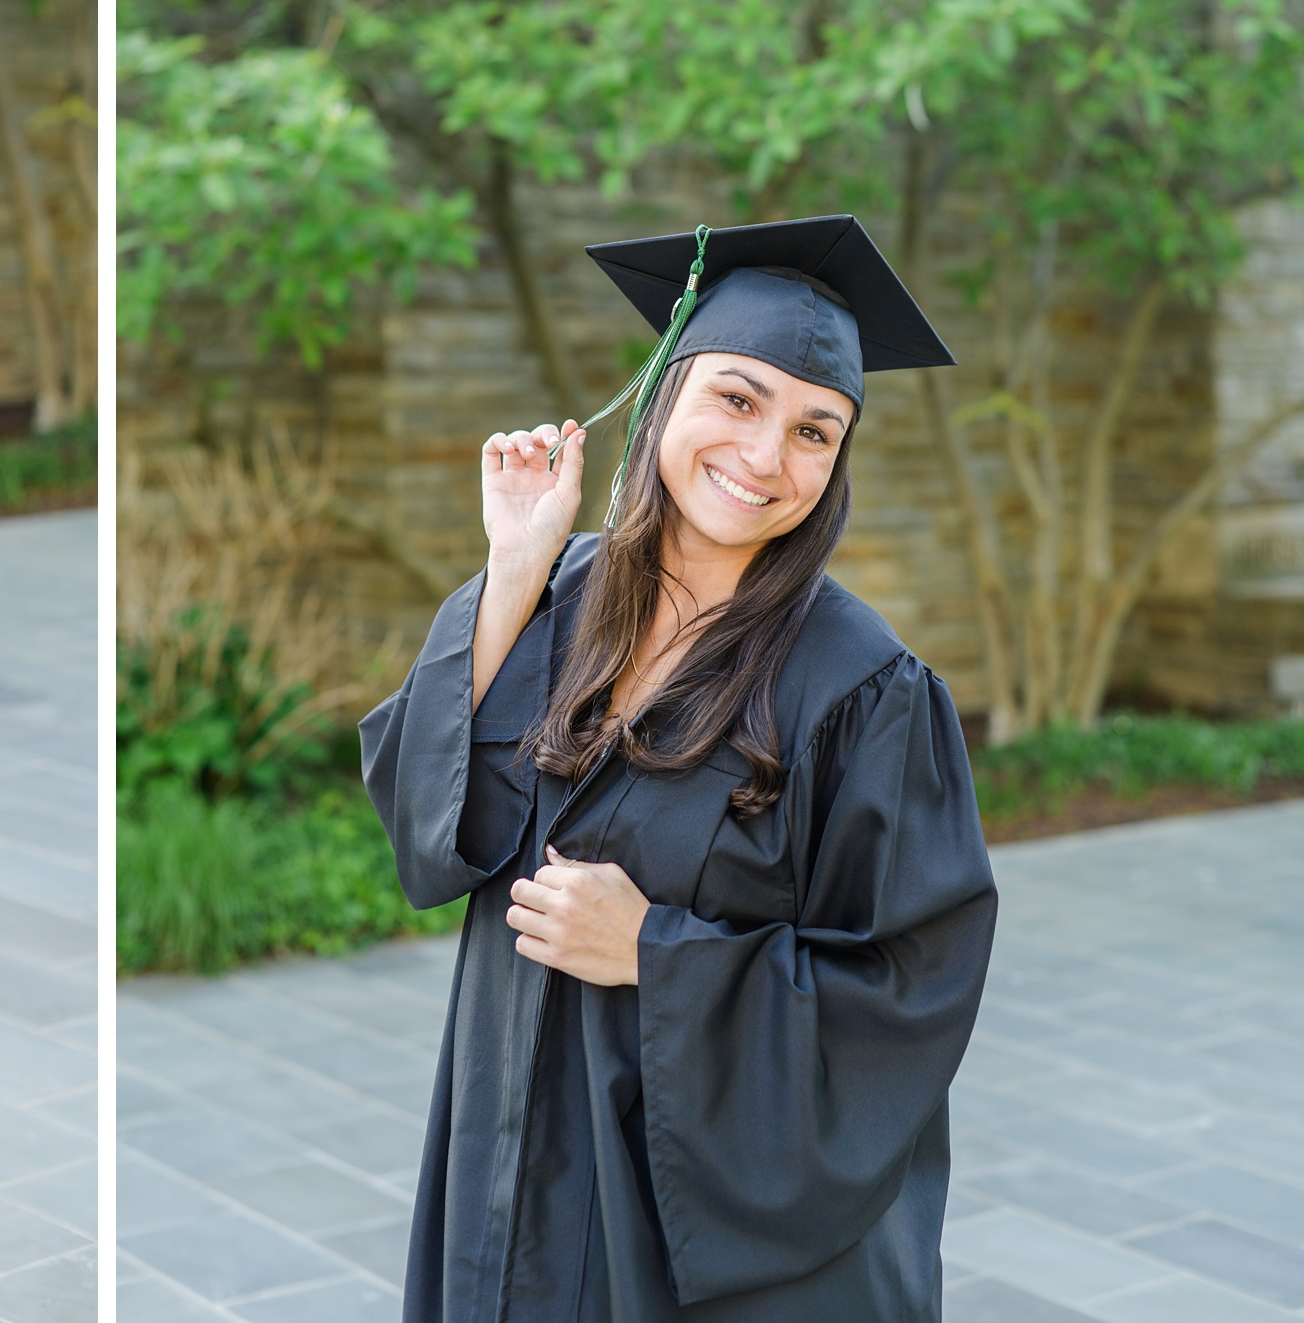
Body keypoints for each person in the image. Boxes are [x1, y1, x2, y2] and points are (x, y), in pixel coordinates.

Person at [361, 216, 998, 1322]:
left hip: (695, 1226)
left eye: (816, 430)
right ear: (665, 395)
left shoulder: (864, 688)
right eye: (738, 399)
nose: (766, 457)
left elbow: (911, 989)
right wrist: (512, 568)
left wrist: (658, 952)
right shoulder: (554, 598)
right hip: (510, 1156)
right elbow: (429, 838)